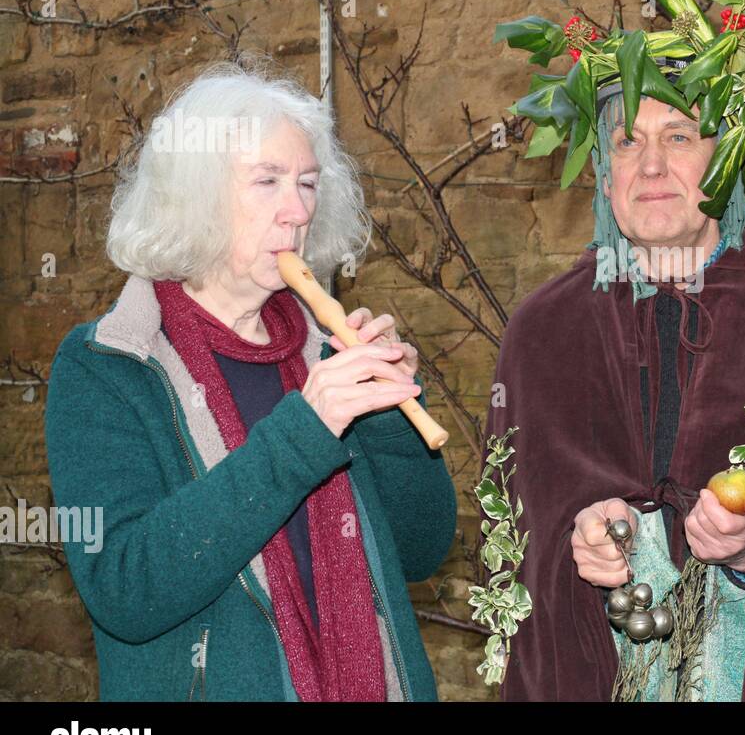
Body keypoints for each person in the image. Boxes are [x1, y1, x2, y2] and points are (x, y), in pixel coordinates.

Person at [44, 61, 457, 701]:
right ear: (196, 194)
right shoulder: (105, 366)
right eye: (267, 181)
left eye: (308, 183)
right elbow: (123, 589)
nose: (296, 211)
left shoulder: (325, 351)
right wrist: (302, 433)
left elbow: (422, 551)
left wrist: (392, 418)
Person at [486, 81, 745, 702]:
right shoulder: (543, 332)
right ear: (602, 176)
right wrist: (579, 545)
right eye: (627, 143)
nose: (651, 164)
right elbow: (509, 561)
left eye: (679, 137)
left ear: (731, 161)